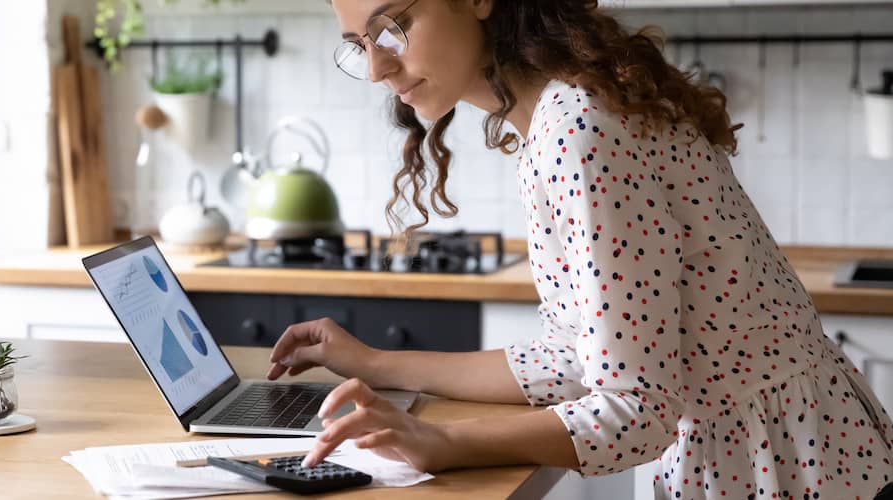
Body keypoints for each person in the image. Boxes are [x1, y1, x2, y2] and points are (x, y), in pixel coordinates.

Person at [266, 1, 893, 498]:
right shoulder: (557, 115)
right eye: (358, 45)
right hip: (783, 453)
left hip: (785, 468)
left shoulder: (579, 128)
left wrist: (444, 442)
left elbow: (637, 409)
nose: (376, 68)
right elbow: (577, 355)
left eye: (392, 28)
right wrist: (375, 364)